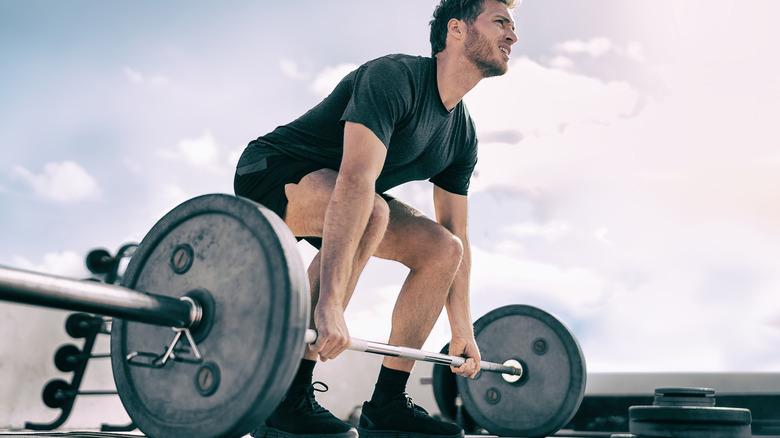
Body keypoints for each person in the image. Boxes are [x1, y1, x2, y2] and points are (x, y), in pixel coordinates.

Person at [234, 0, 517, 436]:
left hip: (352, 196)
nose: (512, 36)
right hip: (270, 170)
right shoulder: (395, 77)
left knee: (444, 249)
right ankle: (286, 399)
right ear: (457, 29)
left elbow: (455, 229)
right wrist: (329, 304)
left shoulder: (461, 135)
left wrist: (463, 328)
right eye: (500, 22)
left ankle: (386, 405)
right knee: (371, 209)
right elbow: (354, 180)